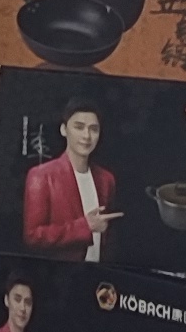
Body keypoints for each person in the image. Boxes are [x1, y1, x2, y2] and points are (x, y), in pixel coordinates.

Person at [19, 104, 117, 260]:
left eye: (93, 129)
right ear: (64, 130)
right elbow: (33, 236)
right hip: (60, 271)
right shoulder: (41, 176)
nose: (86, 136)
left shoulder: (106, 179)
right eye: (79, 127)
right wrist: (84, 226)